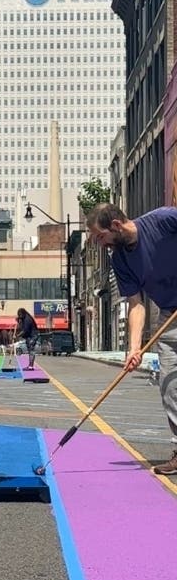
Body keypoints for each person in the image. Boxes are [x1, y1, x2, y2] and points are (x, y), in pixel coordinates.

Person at [86, 202, 177, 475]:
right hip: (169, 316)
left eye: (101, 237)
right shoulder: (120, 259)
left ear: (116, 225)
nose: (101, 244)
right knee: (170, 386)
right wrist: (134, 348)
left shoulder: (164, 220)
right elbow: (136, 305)